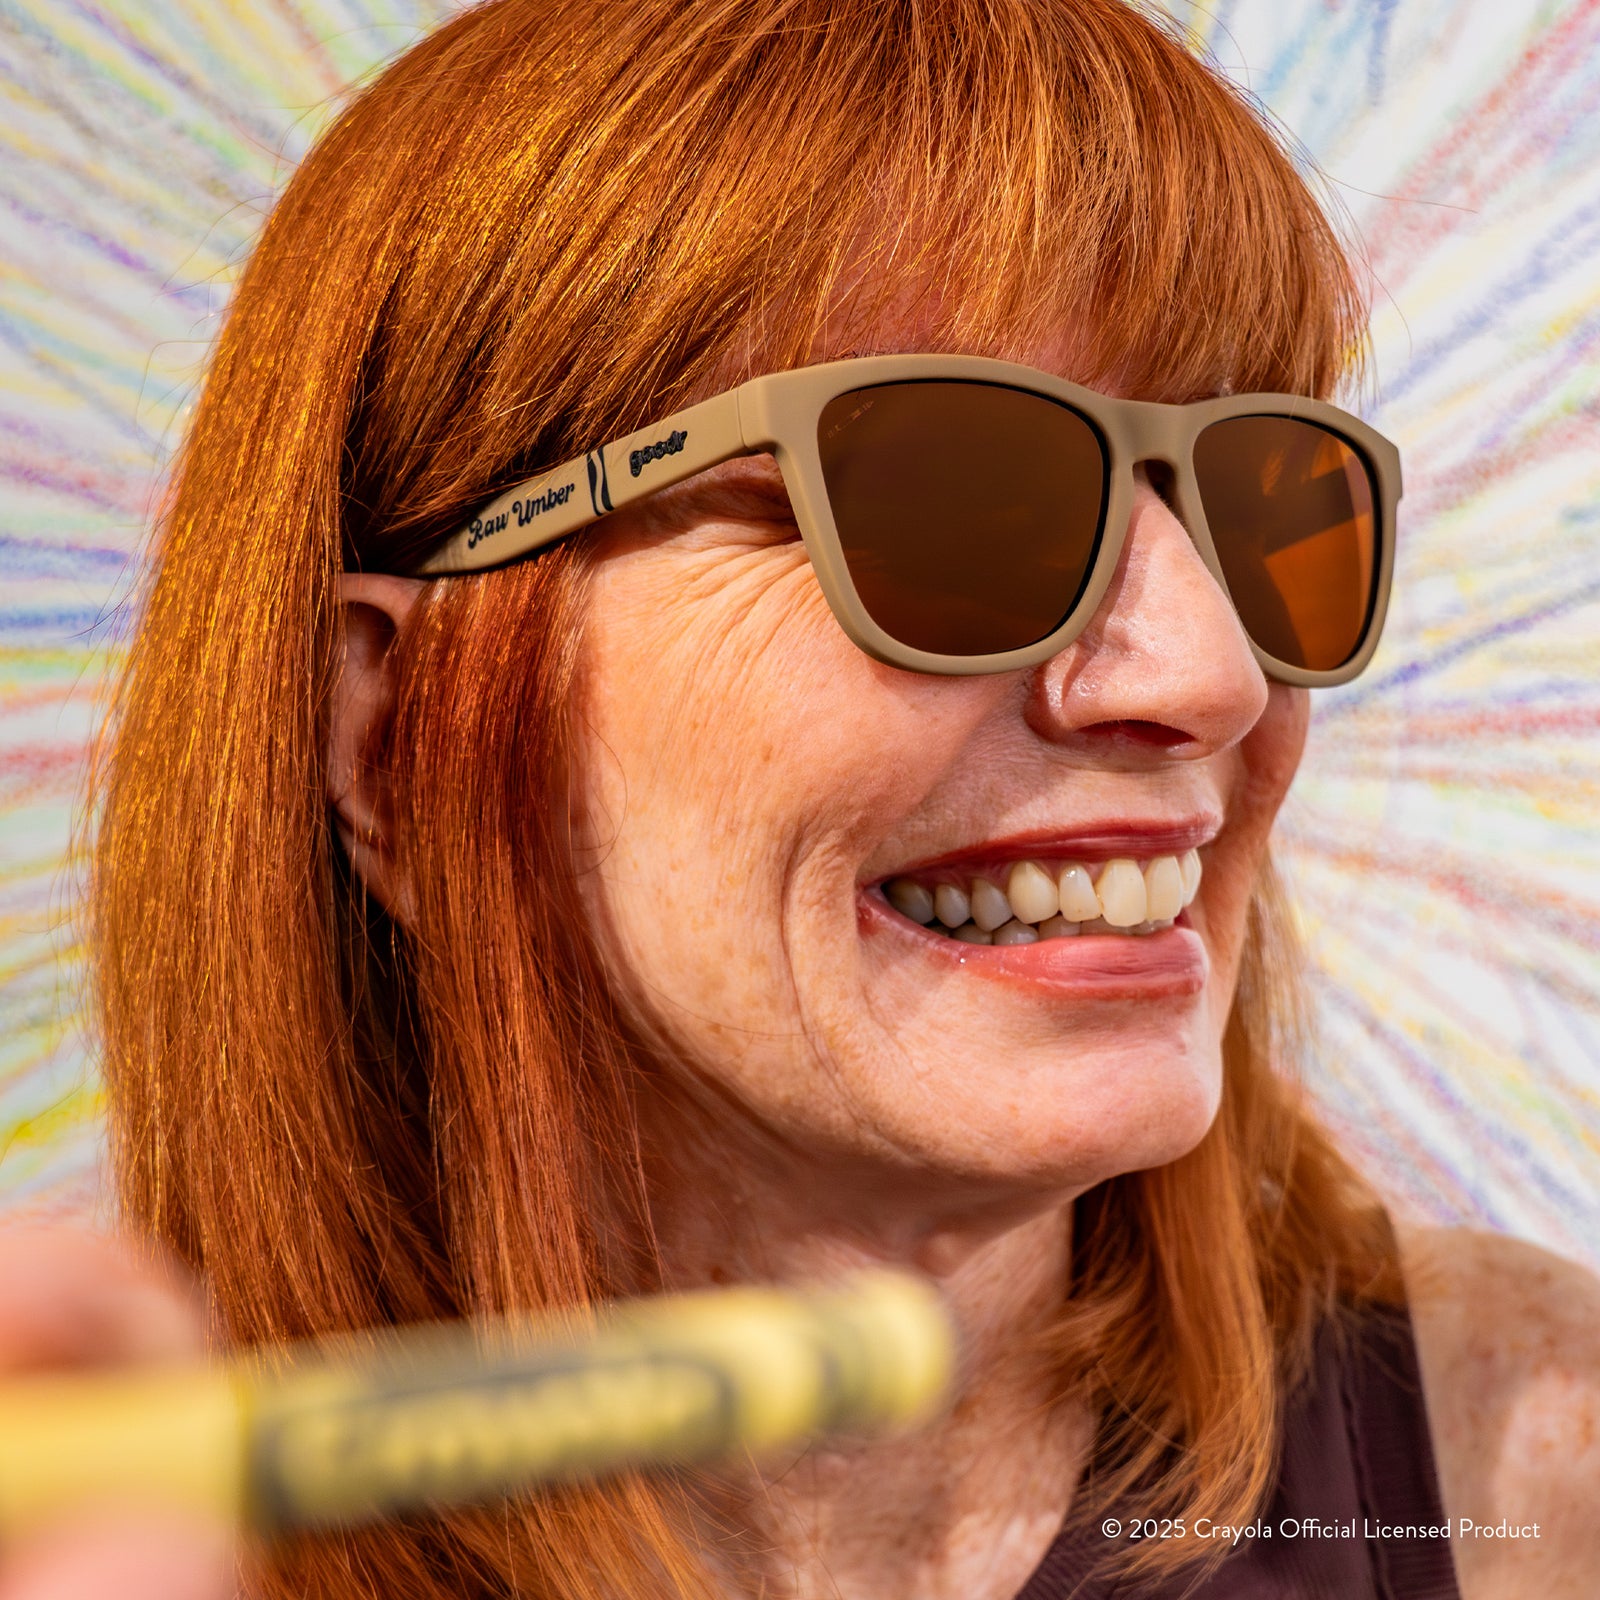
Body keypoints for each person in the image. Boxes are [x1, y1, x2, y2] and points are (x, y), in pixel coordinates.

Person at [5, 1, 1596, 1597]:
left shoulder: (1525, 1459)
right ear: (390, 741)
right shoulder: (117, 1540)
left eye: (1264, 504)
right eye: (951, 495)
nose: (1210, 675)